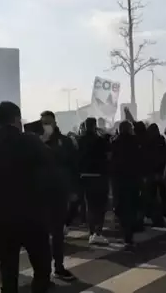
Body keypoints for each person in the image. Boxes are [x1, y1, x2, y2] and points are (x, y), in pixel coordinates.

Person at [0, 101, 53, 293]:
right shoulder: (32, 142)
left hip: (3, 219)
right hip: (34, 217)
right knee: (42, 268)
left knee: (8, 272)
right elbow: (51, 176)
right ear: (16, 119)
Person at [39, 111, 77, 281]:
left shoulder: (65, 141)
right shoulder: (35, 142)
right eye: (43, 122)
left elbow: (73, 164)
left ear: (54, 122)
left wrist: (74, 190)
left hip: (60, 192)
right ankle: (42, 270)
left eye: (48, 122)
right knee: (40, 234)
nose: (46, 125)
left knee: (57, 233)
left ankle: (59, 266)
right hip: (40, 192)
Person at [76, 117, 110, 245]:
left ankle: (91, 233)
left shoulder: (80, 141)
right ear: (94, 126)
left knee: (89, 205)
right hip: (100, 175)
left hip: (85, 176)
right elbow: (108, 155)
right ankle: (98, 233)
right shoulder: (101, 140)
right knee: (101, 206)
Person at [110, 120, 142, 250]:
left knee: (121, 206)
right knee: (131, 207)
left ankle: (124, 232)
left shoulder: (114, 142)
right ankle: (129, 235)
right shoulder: (135, 141)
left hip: (118, 180)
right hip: (132, 179)